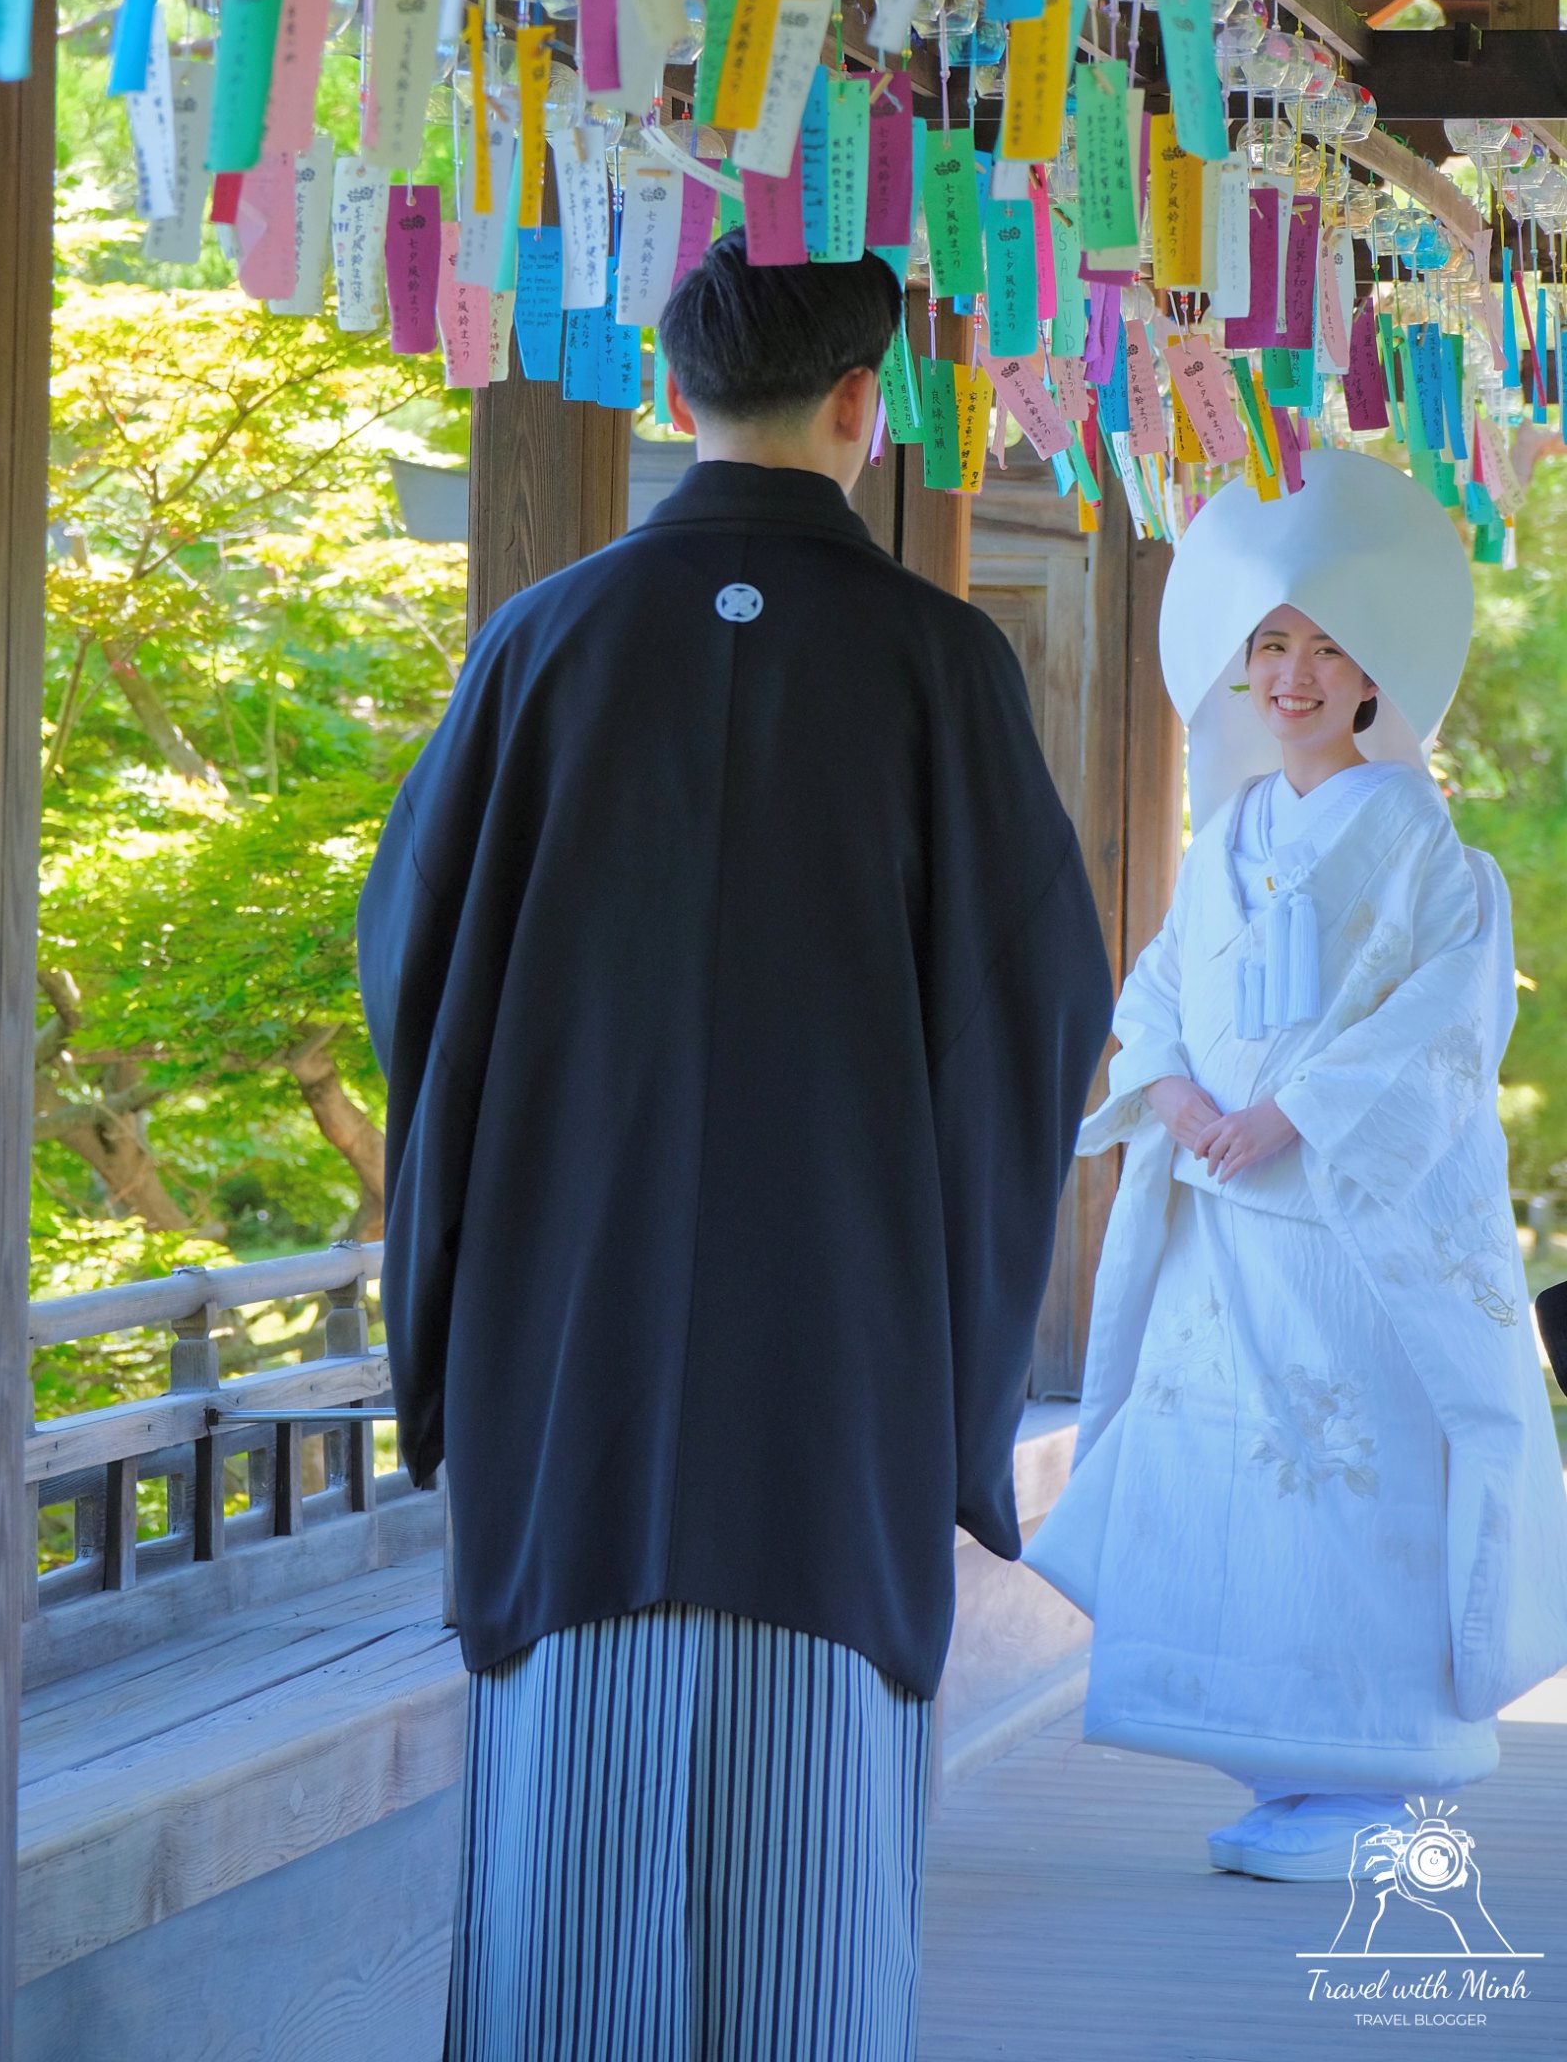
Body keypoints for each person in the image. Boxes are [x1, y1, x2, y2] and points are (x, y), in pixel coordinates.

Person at [359, 230, 1113, 2060]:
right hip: (837, 1343)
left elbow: (417, 974)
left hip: (570, 1326)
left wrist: (470, 1289)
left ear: (673, 390)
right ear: (861, 403)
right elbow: (1034, 1015)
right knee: (809, 1860)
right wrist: (958, 1354)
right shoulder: (939, 663)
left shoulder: (543, 642)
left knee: (566, 1838)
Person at [1024, 447, 1567, 1884]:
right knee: (1229, 1484)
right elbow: (1158, 988)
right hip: (1226, 1230)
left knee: (1352, 1487)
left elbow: (1443, 1024)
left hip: (1346, 1232)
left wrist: (1296, 1114)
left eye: (1328, 648)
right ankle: (1279, 1762)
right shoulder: (1230, 835)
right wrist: (1177, 1090)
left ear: (1376, 673)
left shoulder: (1425, 844)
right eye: (1272, 645)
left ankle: (1376, 1773)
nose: (1296, 675)